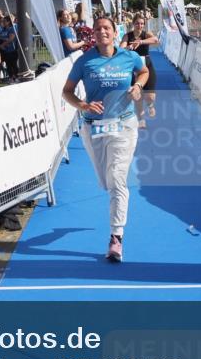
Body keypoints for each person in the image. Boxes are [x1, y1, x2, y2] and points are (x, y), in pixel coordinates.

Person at [61, 16, 149, 263]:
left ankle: (116, 237)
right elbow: (66, 91)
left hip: (124, 125)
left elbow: (143, 71)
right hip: (94, 128)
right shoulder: (84, 61)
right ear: (94, 34)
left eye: (107, 28)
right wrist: (83, 105)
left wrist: (138, 87)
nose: (102, 32)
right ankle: (115, 214)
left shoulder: (128, 56)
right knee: (106, 181)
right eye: (98, 28)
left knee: (118, 179)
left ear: (114, 32)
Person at [120, 15, 159, 128]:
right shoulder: (128, 36)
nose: (139, 25)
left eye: (142, 23)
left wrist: (141, 42)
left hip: (146, 65)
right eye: (137, 23)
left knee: (150, 95)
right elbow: (121, 48)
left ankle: (150, 105)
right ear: (133, 24)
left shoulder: (146, 34)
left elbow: (156, 40)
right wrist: (130, 46)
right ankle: (141, 119)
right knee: (137, 94)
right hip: (133, 66)